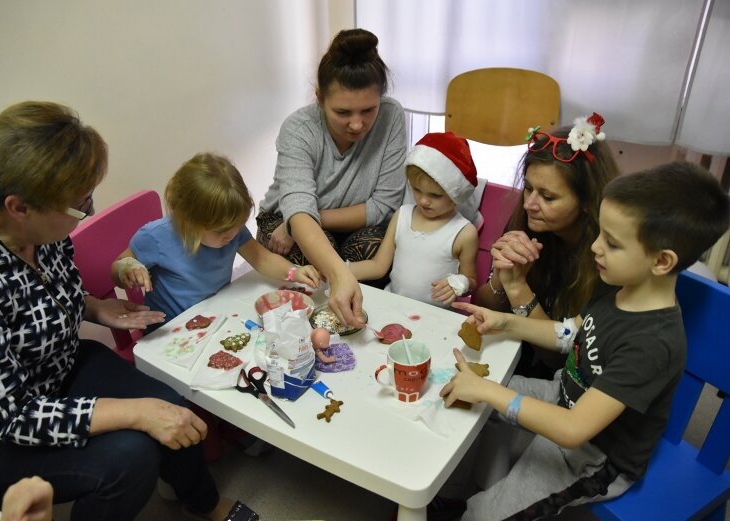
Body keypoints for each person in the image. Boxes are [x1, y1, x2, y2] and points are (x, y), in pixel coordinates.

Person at [0, 101, 252, 521]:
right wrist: (135, 412)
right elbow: (10, 415)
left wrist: (93, 308)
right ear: (19, 207)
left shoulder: (39, 232)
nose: (89, 212)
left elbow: (48, 294)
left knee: (170, 399)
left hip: (58, 368)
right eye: (80, 205)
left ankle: (203, 504)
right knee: (130, 457)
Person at [440, 161, 730, 520]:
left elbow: (572, 430)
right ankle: (455, 494)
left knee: (485, 513)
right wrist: (506, 323)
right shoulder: (617, 287)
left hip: (594, 455)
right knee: (472, 403)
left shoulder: (653, 343)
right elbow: (569, 333)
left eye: (611, 241)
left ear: (661, 261)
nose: (595, 247)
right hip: (566, 396)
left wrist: (488, 391)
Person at [256, 28, 407, 328]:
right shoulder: (300, 129)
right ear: (320, 99)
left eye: (368, 110)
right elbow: (298, 211)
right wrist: (337, 270)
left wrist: (311, 220)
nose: (357, 124)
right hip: (283, 222)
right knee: (313, 266)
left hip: (343, 223)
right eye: (342, 112)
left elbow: (384, 205)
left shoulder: (392, 116)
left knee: (383, 248)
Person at [472, 113, 620, 378]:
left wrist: (518, 289)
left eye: (548, 197)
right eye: (528, 188)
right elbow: (483, 306)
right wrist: (503, 277)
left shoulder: (605, 259)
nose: (530, 204)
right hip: (506, 356)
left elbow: (559, 362)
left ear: (588, 200)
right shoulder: (527, 224)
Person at [112, 152, 320, 328]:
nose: (231, 236)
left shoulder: (229, 231)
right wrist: (127, 268)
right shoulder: (155, 237)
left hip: (214, 316)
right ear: (188, 221)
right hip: (167, 329)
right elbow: (118, 268)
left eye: (236, 227)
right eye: (221, 231)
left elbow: (262, 259)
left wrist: (294, 272)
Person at [348, 132, 479, 307]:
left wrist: (460, 284)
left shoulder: (464, 233)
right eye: (416, 190)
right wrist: (334, 269)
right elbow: (378, 266)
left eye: (435, 195)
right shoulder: (402, 215)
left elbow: (471, 281)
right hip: (393, 304)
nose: (423, 200)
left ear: (456, 193)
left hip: (434, 317)